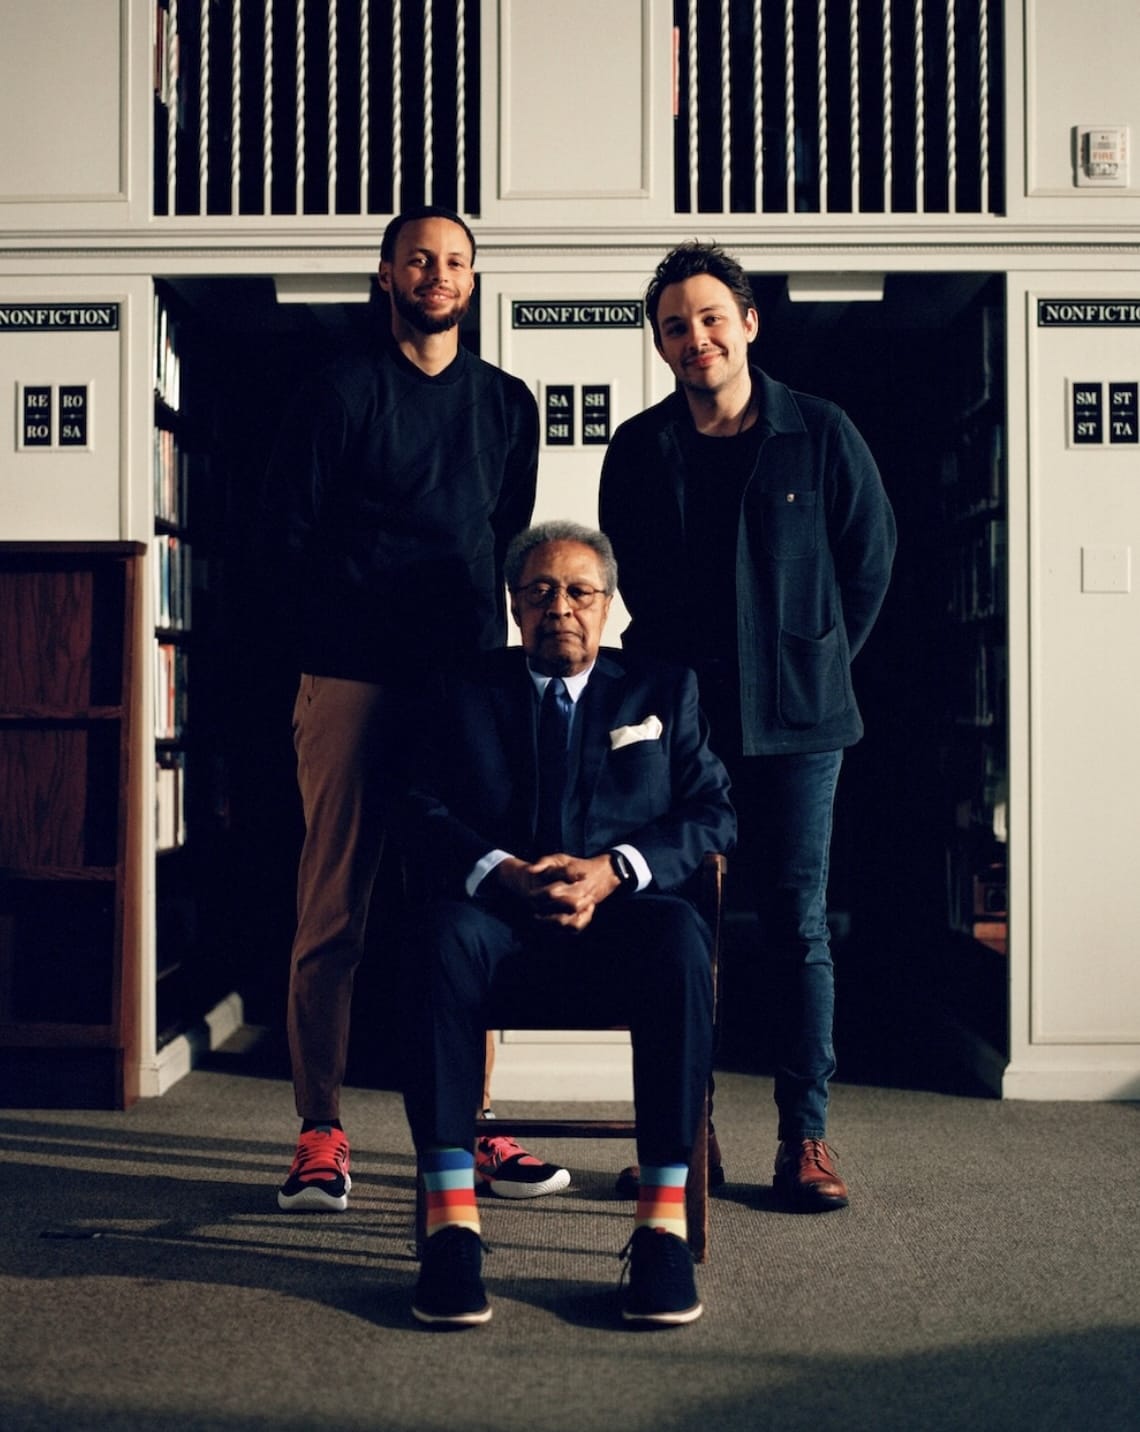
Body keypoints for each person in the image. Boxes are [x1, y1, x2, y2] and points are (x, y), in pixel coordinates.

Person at [263, 205, 567, 1212]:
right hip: (351, 674)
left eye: (454, 263)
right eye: (418, 260)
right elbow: (290, 539)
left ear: (472, 283)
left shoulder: (507, 404)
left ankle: (471, 1129)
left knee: (470, 903)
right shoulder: (336, 392)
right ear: (385, 274)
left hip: (464, 687)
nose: (437, 275)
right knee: (335, 907)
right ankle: (320, 1131)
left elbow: (501, 533)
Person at [599, 241, 896, 1213]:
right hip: (684, 723)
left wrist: (810, 658)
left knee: (796, 925)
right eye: (676, 325)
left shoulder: (821, 430)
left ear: (749, 323)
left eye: (712, 317)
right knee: (679, 924)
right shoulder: (641, 448)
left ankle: (804, 1137)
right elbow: (632, 576)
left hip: (805, 727)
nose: (697, 337)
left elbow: (869, 563)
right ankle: (689, 1134)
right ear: (661, 341)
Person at [395, 522, 736, 1327]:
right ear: (513, 605)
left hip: (621, 927)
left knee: (683, 939)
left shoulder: (663, 690)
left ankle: (659, 1228)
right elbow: (415, 807)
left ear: (608, 605)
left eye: (580, 591)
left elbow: (713, 811)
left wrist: (614, 870)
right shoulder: (459, 690)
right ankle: (451, 1229)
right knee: (435, 936)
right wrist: (504, 871)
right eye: (540, 591)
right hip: (496, 930)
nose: (561, 608)